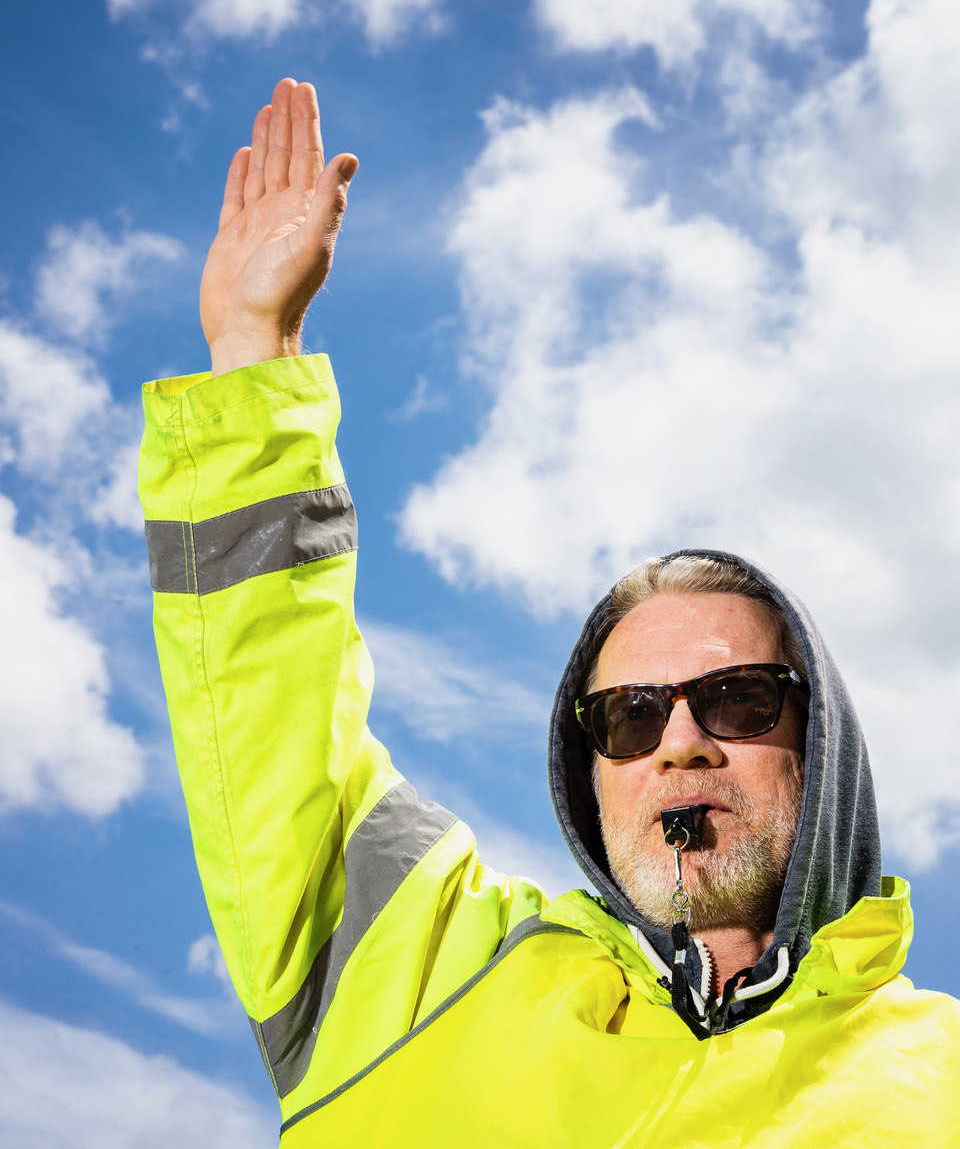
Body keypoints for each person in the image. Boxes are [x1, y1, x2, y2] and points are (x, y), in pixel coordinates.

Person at [139, 79, 959, 1147]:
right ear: (591, 768)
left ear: (825, 747)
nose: (680, 743)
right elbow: (268, 718)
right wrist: (253, 349)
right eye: (629, 715)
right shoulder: (427, 974)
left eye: (740, 700)